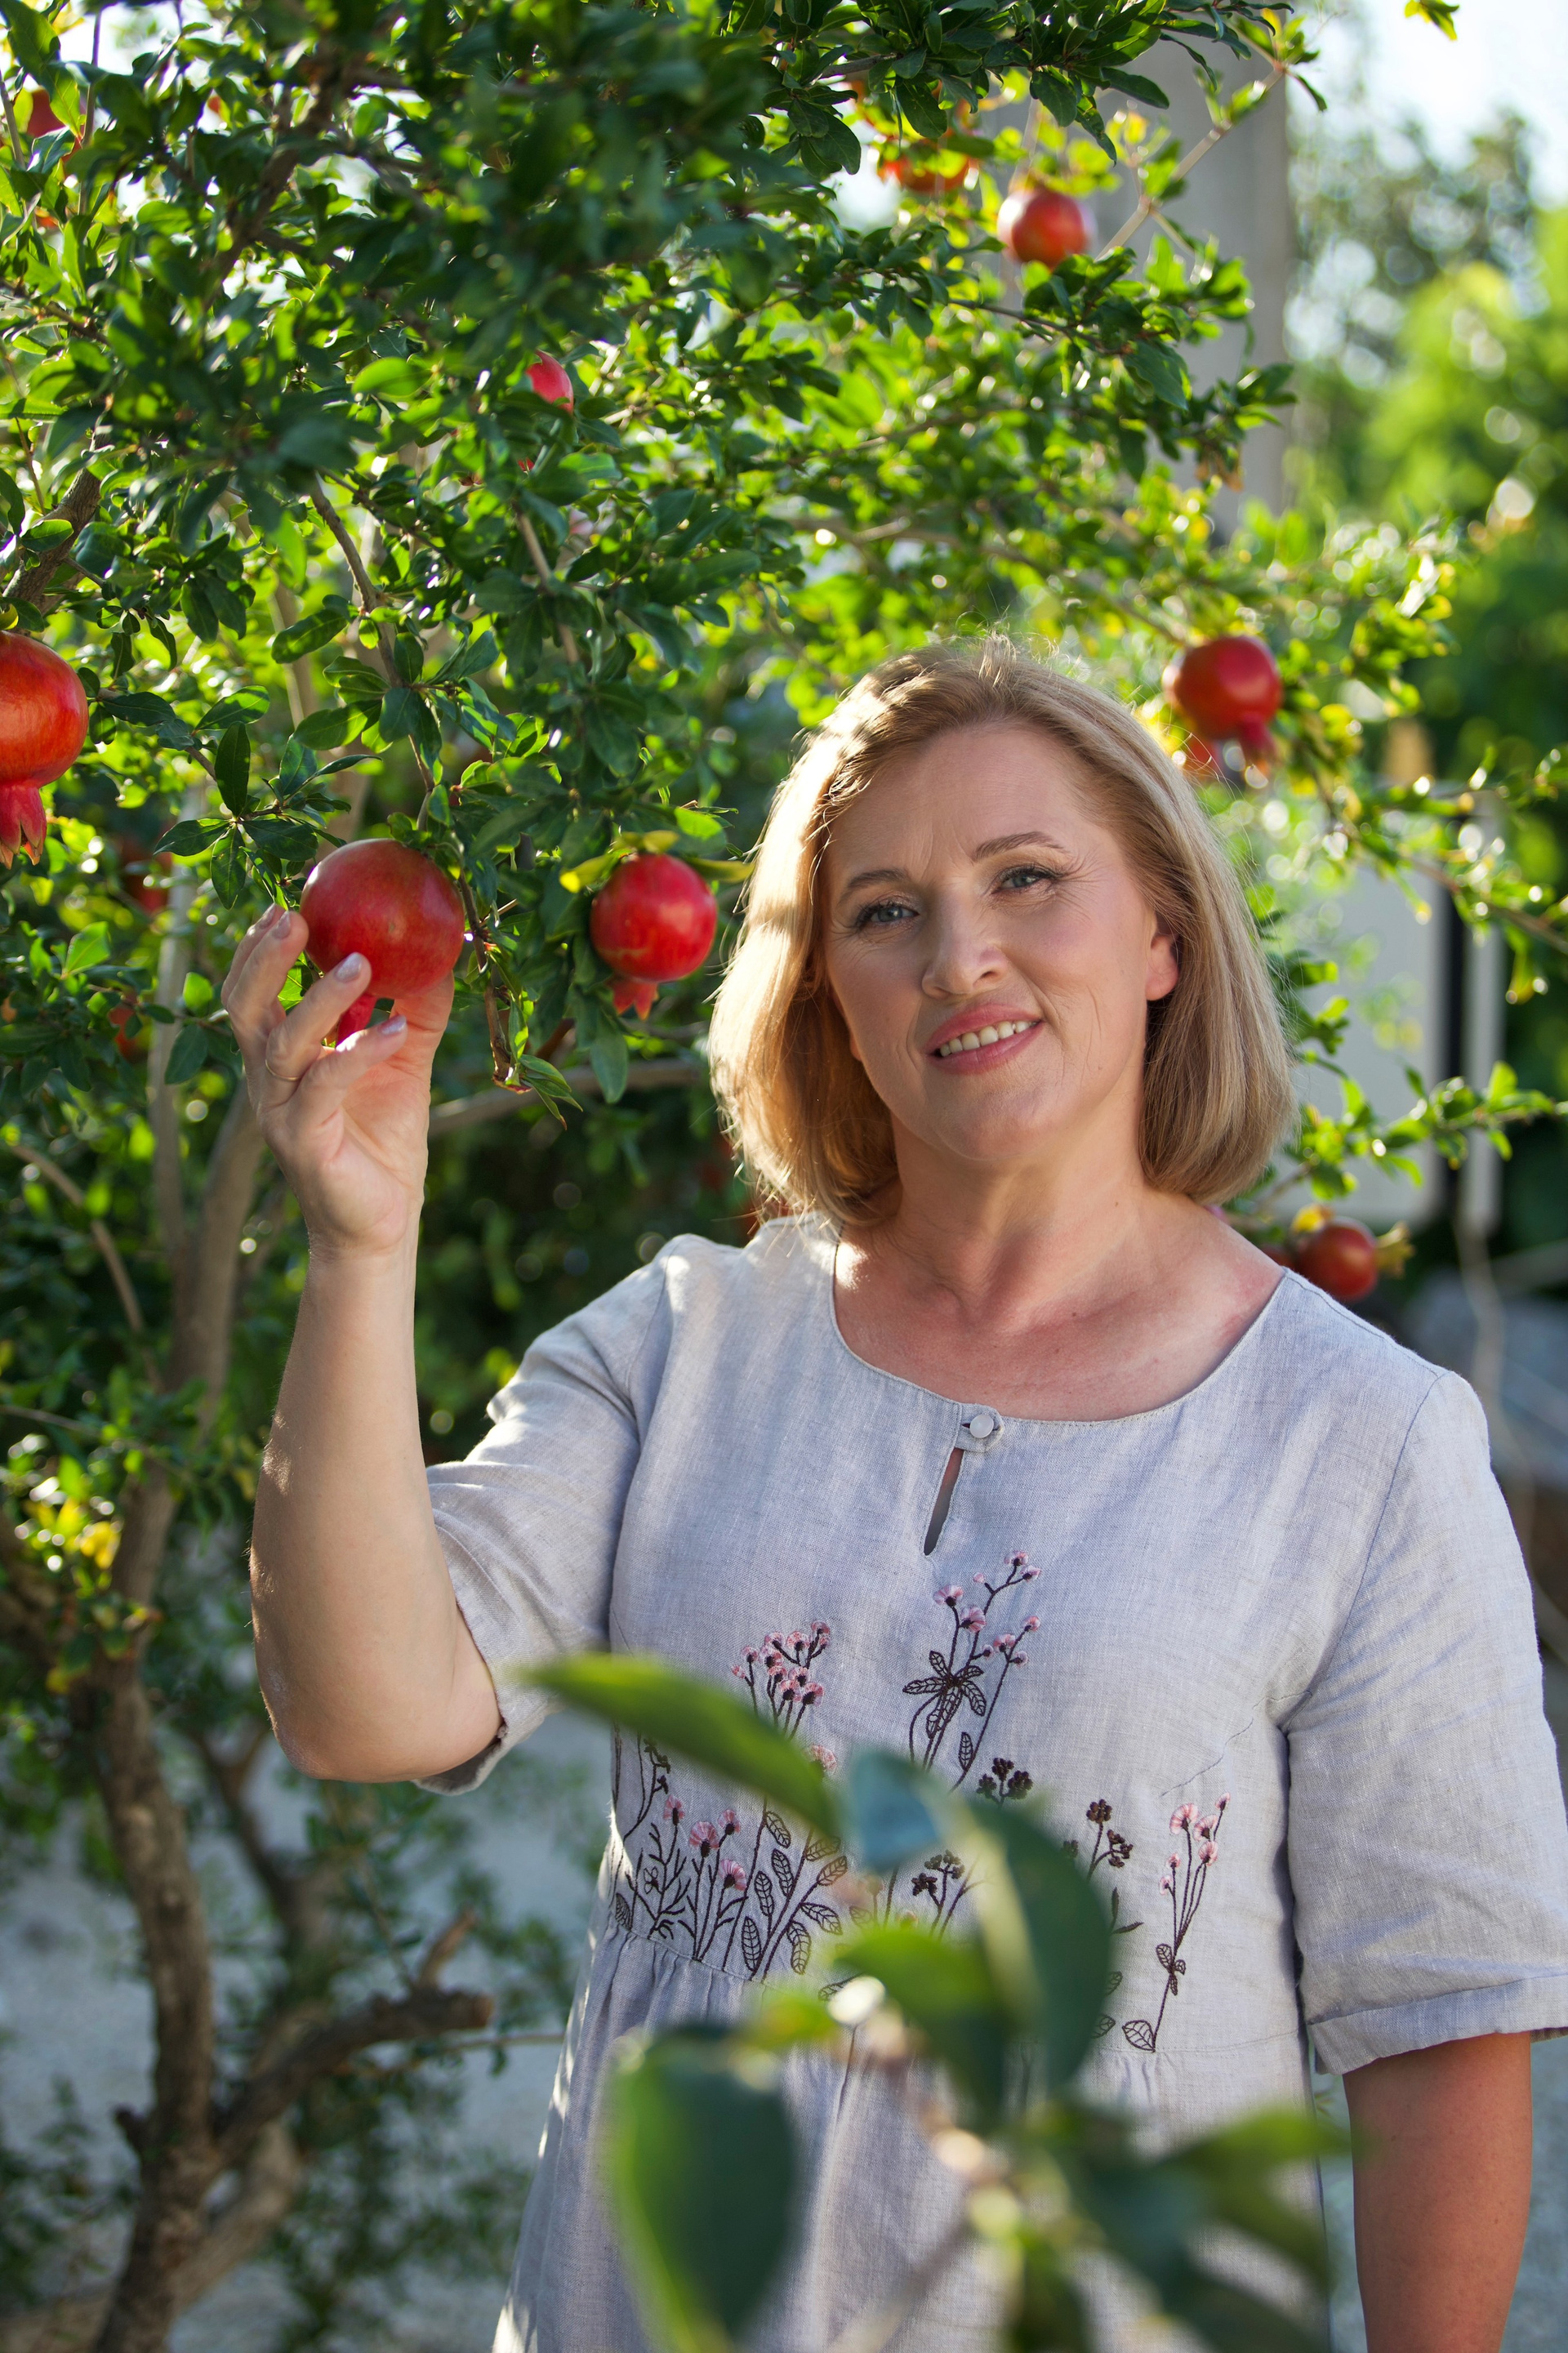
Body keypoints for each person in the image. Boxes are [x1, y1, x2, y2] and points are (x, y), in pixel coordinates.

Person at [226, 639, 1568, 2353]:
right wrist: (361, 1242)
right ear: (826, 998)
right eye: (884, 911)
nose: (960, 955)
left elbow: (1442, 2026)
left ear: (1163, 935)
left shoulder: (1364, 1439)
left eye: (1028, 878)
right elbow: (362, 1708)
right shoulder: (686, 1344)